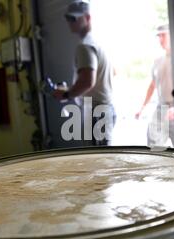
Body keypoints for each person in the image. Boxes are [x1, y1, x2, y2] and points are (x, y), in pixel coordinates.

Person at [53, 0, 116, 146]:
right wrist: (73, 89)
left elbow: (87, 81)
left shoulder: (85, 46)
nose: (70, 22)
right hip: (105, 110)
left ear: (87, 18)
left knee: (97, 164)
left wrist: (66, 94)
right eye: (68, 18)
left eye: (74, 18)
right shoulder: (99, 43)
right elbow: (112, 72)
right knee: (103, 160)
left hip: (96, 113)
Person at [135, 24, 174, 147]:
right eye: (159, 36)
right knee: (153, 142)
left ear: (171, 35)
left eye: (163, 35)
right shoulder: (158, 61)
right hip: (161, 107)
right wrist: (142, 108)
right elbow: (153, 85)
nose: (160, 39)